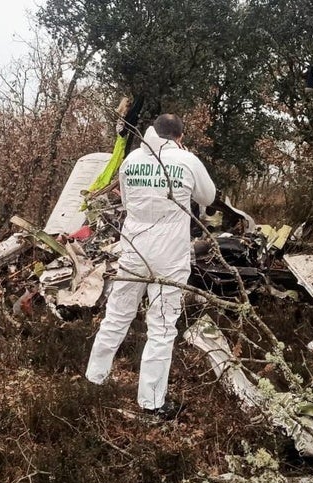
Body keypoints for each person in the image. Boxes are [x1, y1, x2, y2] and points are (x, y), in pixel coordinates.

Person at [85, 113, 216, 419]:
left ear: (152, 133)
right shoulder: (187, 161)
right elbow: (207, 197)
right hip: (170, 257)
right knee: (161, 328)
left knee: (116, 317)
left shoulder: (131, 160)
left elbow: (129, 204)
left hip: (133, 251)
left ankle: (94, 379)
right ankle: (152, 402)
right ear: (179, 137)